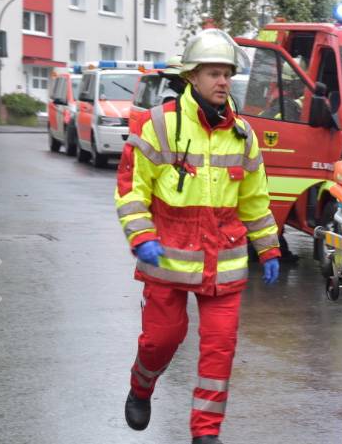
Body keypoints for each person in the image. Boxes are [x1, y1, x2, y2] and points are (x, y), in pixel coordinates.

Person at [115, 29, 282, 444]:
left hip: (222, 263)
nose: (223, 81)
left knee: (219, 351)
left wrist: (269, 247)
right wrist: (141, 237)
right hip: (166, 258)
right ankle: (141, 385)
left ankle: (205, 433)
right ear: (191, 76)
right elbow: (131, 189)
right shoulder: (157, 125)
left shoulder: (243, 133)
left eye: (227, 73)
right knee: (161, 340)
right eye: (213, 73)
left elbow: (254, 200)